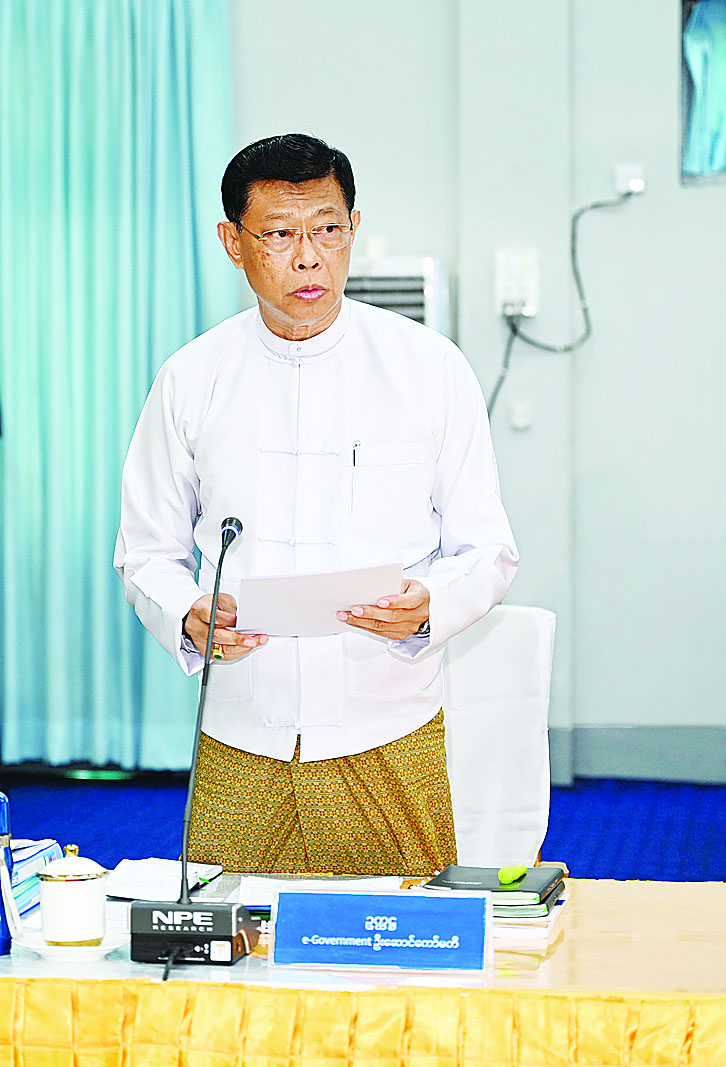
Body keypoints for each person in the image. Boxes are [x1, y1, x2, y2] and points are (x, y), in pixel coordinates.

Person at [114, 133, 518, 876]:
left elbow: (487, 548)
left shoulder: (429, 368)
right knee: (233, 937)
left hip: (387, 726)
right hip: (242, 733)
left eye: (328, 229)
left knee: (403, 933)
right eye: (278, 234)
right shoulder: (191, 378)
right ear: (233, 242)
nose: (308, 258)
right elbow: (146, 550)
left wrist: (429, 603)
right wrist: (186, 612)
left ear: (353, 229)